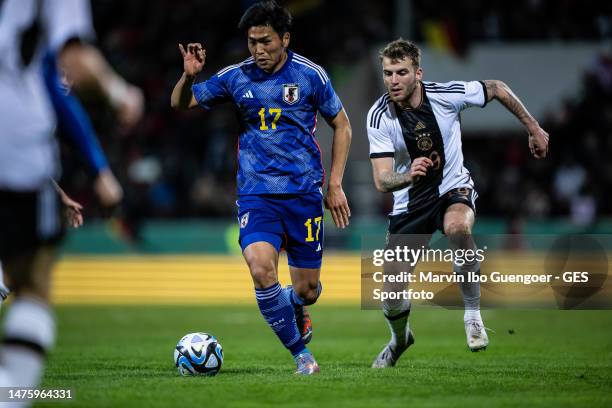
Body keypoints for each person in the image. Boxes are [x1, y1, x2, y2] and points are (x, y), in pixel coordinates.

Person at [171, 0, 351, 375]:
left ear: (284, 38)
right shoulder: (236, 77)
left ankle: (294, 304)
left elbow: (343, 125)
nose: (258, 50)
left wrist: (334, 184)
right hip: (257, 195)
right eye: (252, 42)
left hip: (303, 196)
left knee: (308, 292)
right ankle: (303, 358)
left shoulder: (310, 76)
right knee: (260, 268)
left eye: (266, 41)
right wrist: (189, 75)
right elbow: (181, 103)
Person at [367, 39, 549, 367]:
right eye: (388, 73)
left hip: (453, 189)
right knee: (391, 295)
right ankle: (400, 339)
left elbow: (496, 87)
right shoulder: (380, 115)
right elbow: (382, 180)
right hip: (409, 206)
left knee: (457, 226)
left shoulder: (445, 94)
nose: (393, 80)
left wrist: (533, 127)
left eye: (401, 72)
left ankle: (473, 316)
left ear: (418, 74)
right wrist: (407, 175)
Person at [0, 0, 142, 398]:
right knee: (31, 280)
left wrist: (56, 190)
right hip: (16, 143)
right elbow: (72, 63)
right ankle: (12, 398)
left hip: (18, 150)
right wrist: (119, 94)